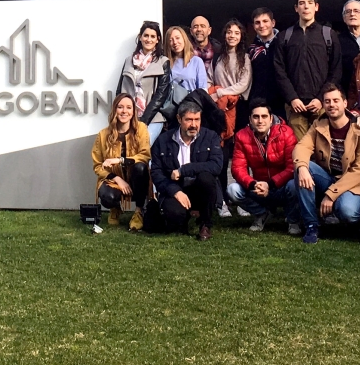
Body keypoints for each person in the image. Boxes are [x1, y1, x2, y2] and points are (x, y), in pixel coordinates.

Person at [292, 83, 360, 243]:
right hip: (329, 177)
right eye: (327, 101)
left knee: (348, 211)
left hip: (353, 183)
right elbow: (302, 147)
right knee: (304, 168)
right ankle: (312, 225)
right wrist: (302, 167)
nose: (331, 105)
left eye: (336, 100)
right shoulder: (319, 125)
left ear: (345, 103)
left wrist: (330, 194)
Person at [273, 0, 344, 138]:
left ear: (316, 7)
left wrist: (320, 99)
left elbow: (336, 70)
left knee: (324, 150)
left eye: (310, 3)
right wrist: (292, 98)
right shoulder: (285, 36)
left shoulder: (328, 35)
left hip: (322, 105)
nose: (306, 7)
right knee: (300, 152)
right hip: (295, 106)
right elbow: (279, 70)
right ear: (296, 8)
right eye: (302, 3)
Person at [149, 98, 223, 240]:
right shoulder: (163, 140)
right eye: (189, 120)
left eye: (197, 119)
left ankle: (205, 224)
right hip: (175, 188)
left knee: (206, 178)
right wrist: (174, 191)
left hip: (200, 188)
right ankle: (183, 217)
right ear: (179, 119)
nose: (193, 125)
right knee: (174, 217)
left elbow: (216, 166)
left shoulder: (211, 137)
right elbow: (157, 173)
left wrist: (184, 170)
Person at [228, 99, 300, 233]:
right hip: (258, 188)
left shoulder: (286, 133)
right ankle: (261, 213)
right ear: (250, 119)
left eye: (264, 116)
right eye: (256, 117)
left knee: (295, 184)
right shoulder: (241, 136)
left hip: (281, 187)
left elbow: (292, 167)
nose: (260, 121)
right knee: (233, 190)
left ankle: (293, 220)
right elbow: (237, 168)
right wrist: (253, 184)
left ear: (271, 118)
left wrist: (271, 184)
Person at [208, 18, 252, 215]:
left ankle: (242, 201)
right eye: (229, 32)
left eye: (236, 32)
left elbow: (244, 84)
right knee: (222, 157)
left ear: (241, 35)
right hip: (220, 111)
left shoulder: (245, 57)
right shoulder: (218, 57)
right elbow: (210, 79)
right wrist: (217, 93)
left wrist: (224, 92)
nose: (232, 35)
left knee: (241, 158)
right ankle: (223, 201)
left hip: (240, 110)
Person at [92, 93, 153, 230]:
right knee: (107, 196)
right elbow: (98, 166)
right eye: (120, 107)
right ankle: (115, 207)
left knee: (141, 168)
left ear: (133, 111)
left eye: (128, 107)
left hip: (136, 177)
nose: (124, 111)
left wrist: (120, 160)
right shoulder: (103, 135)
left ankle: (138, 212)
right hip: (115, 180)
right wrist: (118, 179)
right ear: (115, 110)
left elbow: (145, 155)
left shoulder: (141, 128)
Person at [118, 21, 169, 142]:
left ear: (158, 39)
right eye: (146, 35)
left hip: (153, 118)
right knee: (130, 153)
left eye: (152, 36)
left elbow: (161, 94)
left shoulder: (163, 62)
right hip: (129, 117)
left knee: (142, 148)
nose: (149, 39)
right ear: (140, 37)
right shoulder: (129, 60)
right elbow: (119, 90)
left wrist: (143, 121)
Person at [248, 7, 284, 116]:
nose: (262, 25)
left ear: (273, 23)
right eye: (257, 23)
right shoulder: (251, 49)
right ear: (254, 26)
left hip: (282, 101)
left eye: (265, 21)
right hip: (258, 102)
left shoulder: (284, 44)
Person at [336, 0, 360, 97]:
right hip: (347, 94)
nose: (352, 14)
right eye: (348, 12)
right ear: (344, 18)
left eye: (356, 11)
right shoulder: (337, 41)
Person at [165, 25, 208, 91]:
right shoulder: (165, 63)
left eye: (177, 38)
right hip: (171, 100)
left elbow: (203, 90)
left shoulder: (196, 61)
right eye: (171, 40)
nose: (175, 42)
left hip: (191, 100)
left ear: (184, 38)